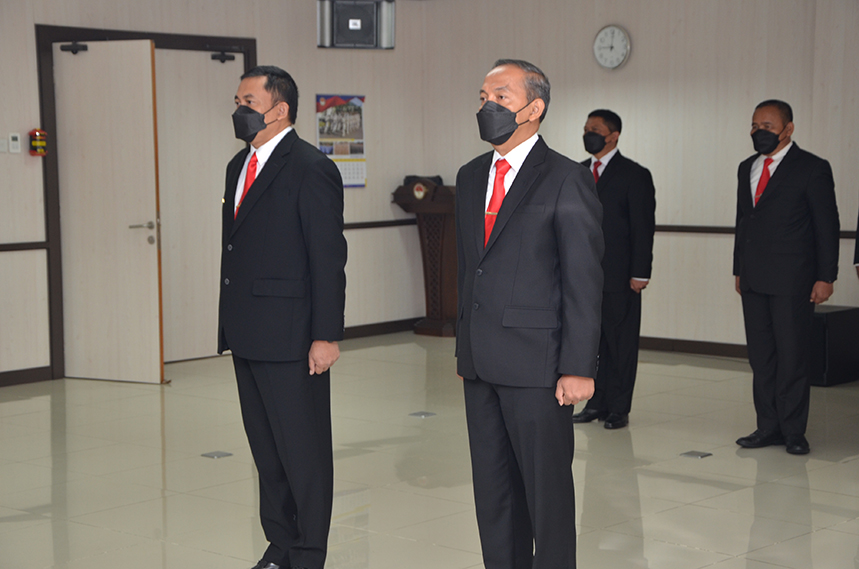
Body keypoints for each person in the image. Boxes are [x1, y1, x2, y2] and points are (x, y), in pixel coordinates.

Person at [455, 59, 604, 569]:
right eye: (483, 97)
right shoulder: (470, 176)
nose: (487, 106)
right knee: (494, 493)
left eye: (501, 96)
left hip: (538, 365)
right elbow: (470, 270)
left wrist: (579, 367)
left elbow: (583, 280)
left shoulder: (566, 178)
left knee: (546, 496)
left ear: (533, 108)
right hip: (481, 364)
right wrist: (465, 349)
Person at [218, 65, 347, 569]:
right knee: (266, 452)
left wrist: (326, 335)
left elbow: (326, 258)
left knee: (303, 452)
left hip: (293, 335)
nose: (240, 110)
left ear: (280, 109)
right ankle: (281, 545)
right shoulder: (238, 165)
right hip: (247, 330)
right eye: (237, 101)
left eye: (249, 102)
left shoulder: (311, 167)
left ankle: (310, 552)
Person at [733, 99, 839, 455]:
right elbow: (743, 222)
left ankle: (793, 430)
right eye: (754, 126)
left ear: (788, 129)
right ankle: (768, 426)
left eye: (767, 126)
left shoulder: (812, 168)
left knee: (792, 357)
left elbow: (826, 226)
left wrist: (826, 276)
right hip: (753, 279)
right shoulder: (746, 167)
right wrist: (738, 269)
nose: (758, 132)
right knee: (761, 358)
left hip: (793, 280)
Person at [571, 109, 656, 430]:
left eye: (595, 129)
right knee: (591, 344)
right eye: (586, 128)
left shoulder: (634, 174)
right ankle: (596, 402)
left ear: (613, 135)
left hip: (620, 276)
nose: (588, 134)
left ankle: (618, 407)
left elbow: (642, 227)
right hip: (581, 277)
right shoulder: (577, 172)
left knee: (620, 343)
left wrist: (640, 272)